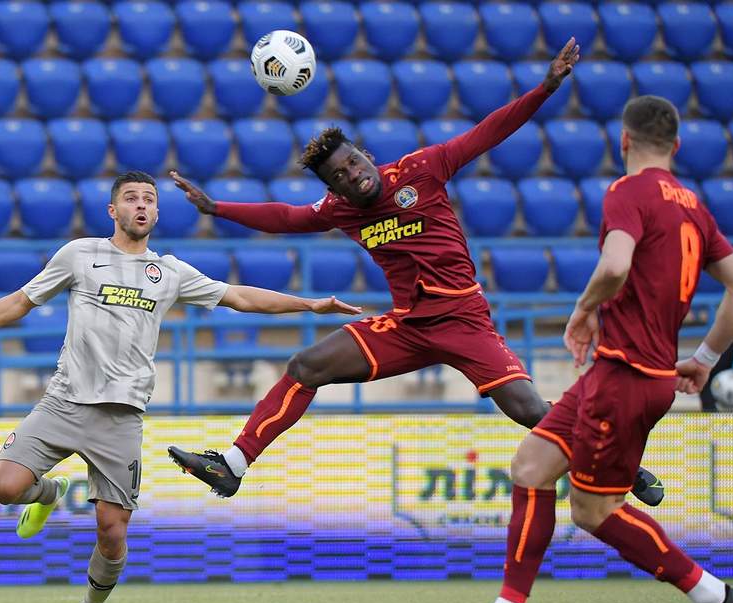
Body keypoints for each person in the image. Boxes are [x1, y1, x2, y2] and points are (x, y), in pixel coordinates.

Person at [166, 38, 664, 509]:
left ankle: (626, 463)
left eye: (354, 163)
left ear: (366, 156)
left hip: (464, 320)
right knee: (305, 366)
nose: (352, 175)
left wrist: (545, 88)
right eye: (339, 176)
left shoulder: (423, 169)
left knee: (531, 410)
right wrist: (217, 208)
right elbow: (287, 217)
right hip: (407, 325)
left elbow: (488, 131)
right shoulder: (340, 209)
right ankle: (233, 463)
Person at [0, 171, 360, 603]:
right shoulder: (80, 255)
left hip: (121, 418)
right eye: (131, 198)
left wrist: (310, 305)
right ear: (113, 210)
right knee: (4, 486)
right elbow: (20, 302)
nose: (141, 205)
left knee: (111, 533)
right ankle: (48, 494)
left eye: (149, 199)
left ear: (157, 213)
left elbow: (240, 297)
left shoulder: (170, 272)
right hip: (64, 402)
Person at [431, 96, 733, 603]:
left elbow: (614, 265)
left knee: (593, 511)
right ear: (676, 147)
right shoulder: (695, 208)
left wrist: (583, 309)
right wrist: (704, 358)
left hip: (626, 376)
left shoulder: (626, 193)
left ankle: (712, 596)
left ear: (624, 140)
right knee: (531, 466)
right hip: (622, 370)